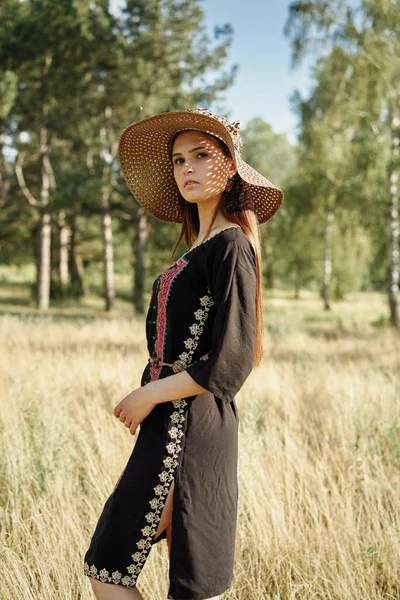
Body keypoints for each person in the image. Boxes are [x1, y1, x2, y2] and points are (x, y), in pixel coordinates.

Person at [84, 108, 283, 600]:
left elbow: (231, 362)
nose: (187, 168)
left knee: (191, 586)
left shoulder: (232, 245)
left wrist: (150, 393)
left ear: (230, 166)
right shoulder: (198, 245)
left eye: (201, 156)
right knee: (107, 566)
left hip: (195, 425)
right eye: (178, 160)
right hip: (166, 424)